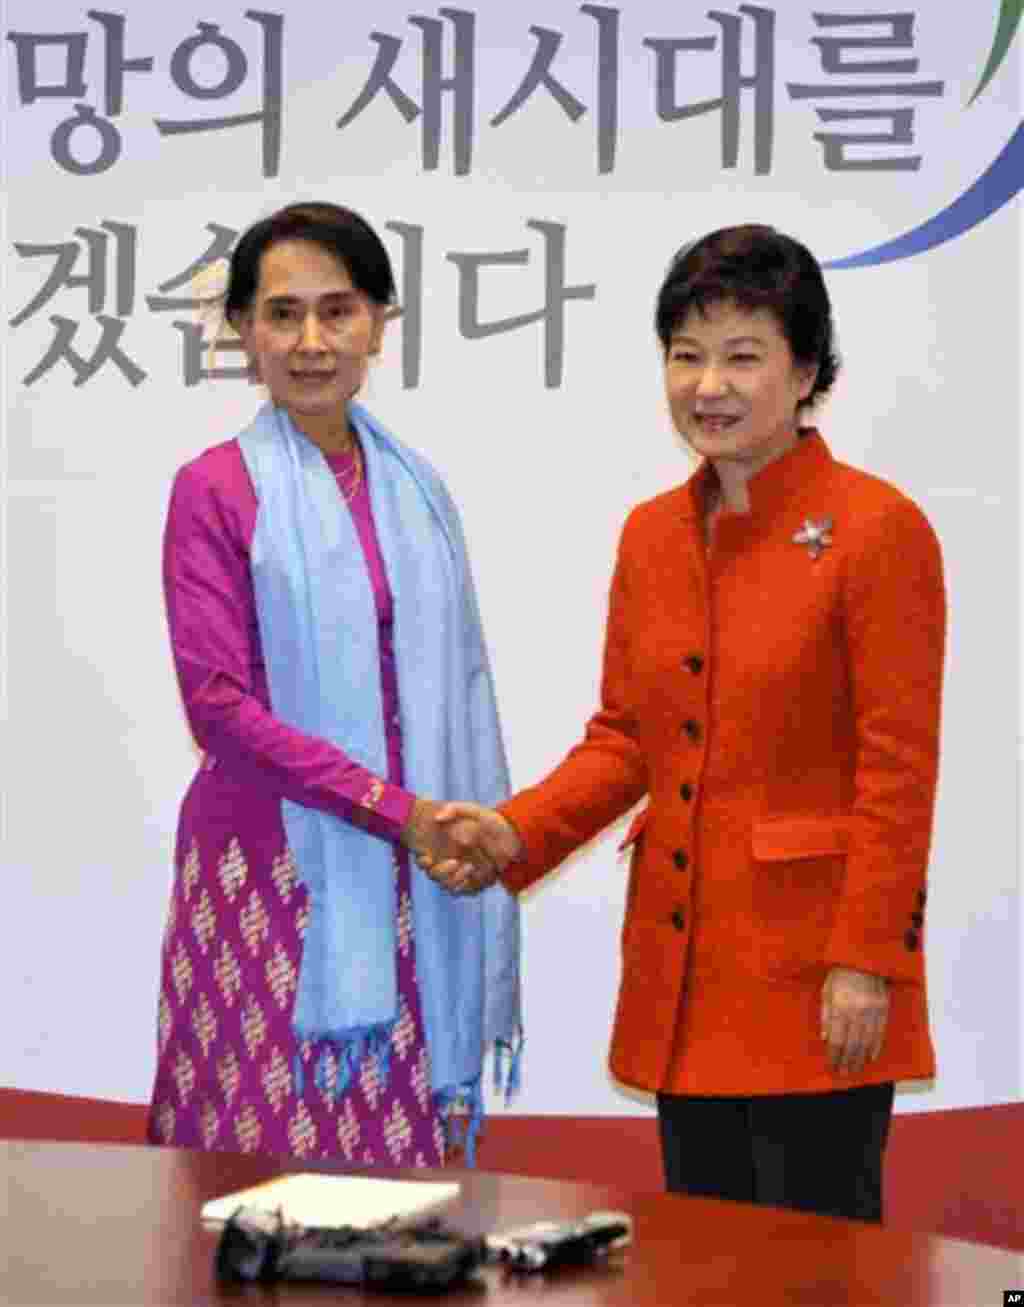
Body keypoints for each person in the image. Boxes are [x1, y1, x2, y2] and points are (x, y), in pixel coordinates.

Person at [428, 225, 945, 1222]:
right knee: (699, 1255)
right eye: (686, 354)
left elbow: (898, 771)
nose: (708, 383)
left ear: (805, 373)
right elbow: (628, 735)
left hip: (816, 982)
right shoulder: (651, 534)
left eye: (743, 355)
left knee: (817, 1271)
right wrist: (514, 829)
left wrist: (866, 961)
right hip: (684, 972)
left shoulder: (878, 528)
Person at [147, 201, 521, 1166]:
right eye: (281, 314)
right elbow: (218, 709)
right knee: (257, 1170)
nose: (311, 341)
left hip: (415, 870)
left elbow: (461, 687)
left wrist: (441, 826)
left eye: (338, 310)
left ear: (378, 324)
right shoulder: (215, 487)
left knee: (394, 1187)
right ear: (242, 330)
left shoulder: (420, 491)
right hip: (272, 872)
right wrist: (390, 808)